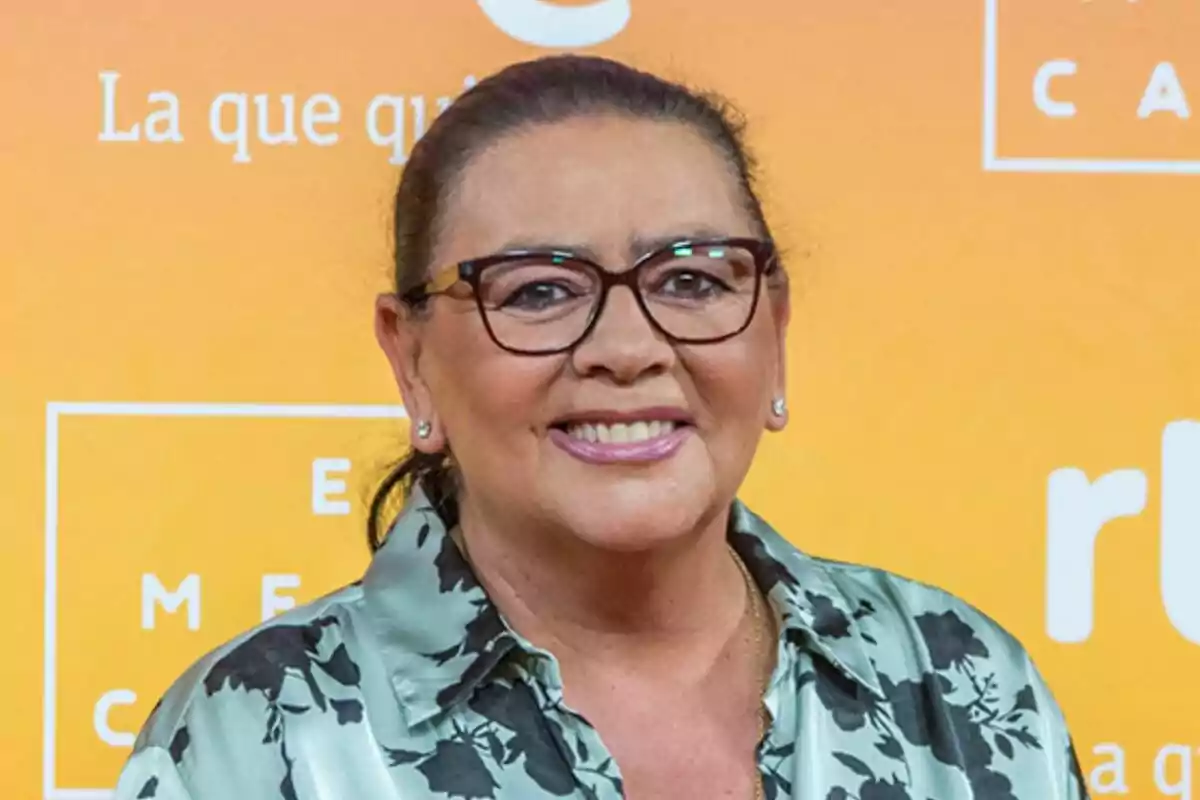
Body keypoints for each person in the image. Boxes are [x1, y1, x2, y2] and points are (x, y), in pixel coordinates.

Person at [114, 54, 1090, 800]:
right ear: (411, 358)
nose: (627, 346)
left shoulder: (956, 679)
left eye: (693, 279)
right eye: (538, 289)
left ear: (775, 332)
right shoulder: (262, 737)